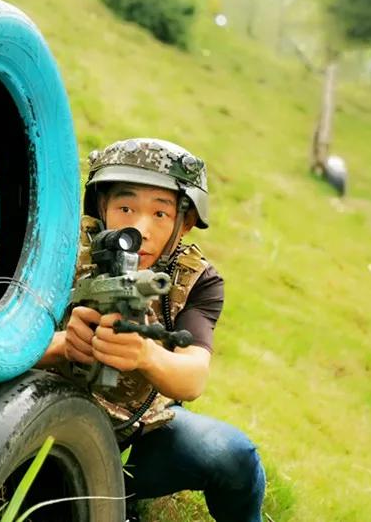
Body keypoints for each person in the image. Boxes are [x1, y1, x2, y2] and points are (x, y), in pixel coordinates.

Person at [36, 138, 266, 522]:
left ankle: (111, 491)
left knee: (232, 455)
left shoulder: (196, 280)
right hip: (33, 418)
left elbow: (191, 378)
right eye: (126, 208)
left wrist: (146, 355)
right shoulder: (57, 246)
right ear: (101, 207)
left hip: (138, 435)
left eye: (160, 214)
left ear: (185, 221)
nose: (139, 229)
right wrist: (63, 345)